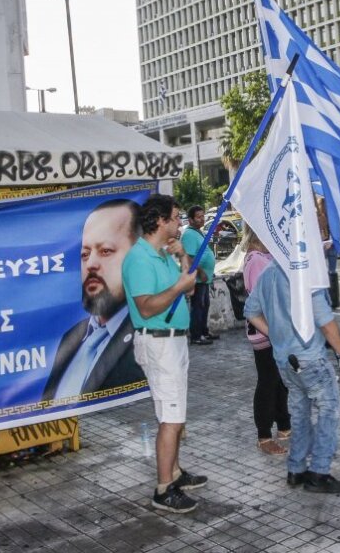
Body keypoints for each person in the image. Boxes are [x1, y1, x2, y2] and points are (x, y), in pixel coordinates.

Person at [243, 260, 340, 494]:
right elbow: (326, 322)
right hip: (310, 357)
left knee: (299, 413)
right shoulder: (307, 273)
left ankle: (296, 469)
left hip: (284, 358)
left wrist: (277, 335)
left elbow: (250, 311)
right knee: (328, 410)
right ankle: (319, 472)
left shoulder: (268, 271)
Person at [122, 193, 204, 514]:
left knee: (176, 413)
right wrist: (178, 288)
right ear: (159, 221)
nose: (179, 222)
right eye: (175, 217)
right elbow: (146, 307)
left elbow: (191, 286)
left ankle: (176, 472)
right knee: (171, 418)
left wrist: (182, 256)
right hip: (159, 344)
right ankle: (163, 488)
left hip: (175, 342)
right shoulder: (139, 258)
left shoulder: (164, 253)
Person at [43, 200, 144, 401]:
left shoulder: (147, 334)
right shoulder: (72, 336)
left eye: (105, 251)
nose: (90, 264)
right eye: (85, 254)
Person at [241, 230, 291, 455]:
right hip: (266, 330)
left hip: (273, 329)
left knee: (279, 380)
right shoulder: (256, 260)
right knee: (268, 382)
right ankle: (264, 435)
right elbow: (263, 299)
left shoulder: (264, 257)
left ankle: (284, 425)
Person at [181, 205, 216, 345]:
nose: (202, 219)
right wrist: (201, 272)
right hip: (197, 277)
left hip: (204, 278)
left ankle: (203, 331)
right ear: (190, 219)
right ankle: (196, 335)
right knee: (198, 306)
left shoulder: (197, 232)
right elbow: (189, 257)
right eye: (198, 217)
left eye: (203, 216)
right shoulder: (189, 234)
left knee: (204, 305)